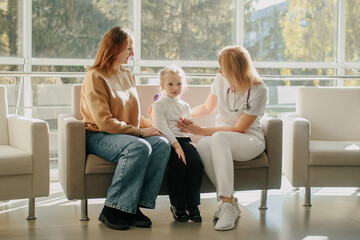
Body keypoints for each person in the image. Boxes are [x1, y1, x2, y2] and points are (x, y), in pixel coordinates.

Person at [80, 26, 171, 231]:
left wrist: (157, 128)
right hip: (98, 134)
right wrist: (140, 132)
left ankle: (132, 207)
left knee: (161, 145)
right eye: (129, 48)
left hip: (122, 133)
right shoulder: (95, 77)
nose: (133, 53)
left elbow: (131, 115)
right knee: (139, 147)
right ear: (114, 47)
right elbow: (104, 121)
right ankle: (112, 209)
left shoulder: (127, 75)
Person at [177, 45, 268, 231]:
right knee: (203, 145)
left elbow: (239, 128)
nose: (219, 71)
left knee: (216, 138)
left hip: (250, 140)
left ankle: (227, 206)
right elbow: (206, 108)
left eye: (223, 68)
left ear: (235, 69)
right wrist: (182, 116)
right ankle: (230, 203)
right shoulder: (221, 79)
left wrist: (200, 130)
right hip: (222, 137)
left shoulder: (259, 89)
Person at [150, 66, 204, 223]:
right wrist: (176, 145)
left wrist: (187, 125)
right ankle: (178, 206)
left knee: (196, 165)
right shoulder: (159, 105)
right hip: (168, 141)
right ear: (162, 85)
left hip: (184, 140)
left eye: (179, 84)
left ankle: (193, 205)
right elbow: (161, 127)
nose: (175, 88)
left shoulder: (185, 105)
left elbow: (186, 128)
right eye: (171, 84)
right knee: (178, 166)